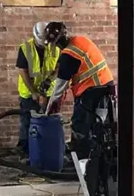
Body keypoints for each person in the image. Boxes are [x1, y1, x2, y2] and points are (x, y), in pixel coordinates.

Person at [43, 22, 115, 157]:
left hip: (91, 91)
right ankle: (98, 157)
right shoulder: (79, 40)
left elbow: (59, 89)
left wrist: (48, 111)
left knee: (80, 125)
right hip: (106, 86)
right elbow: (63, 67)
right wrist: (49, 80)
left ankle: (81, 158)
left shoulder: (69, 55)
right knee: (100, 125)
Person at [16, 21, 60, 155]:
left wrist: (49, 81)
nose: (43, 43)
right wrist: (34, 92)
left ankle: (46, 150)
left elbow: (58, 67)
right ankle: (24, 151)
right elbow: (23, 71)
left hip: (48, 92)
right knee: (27, 122)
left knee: (48, 121)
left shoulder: (54, 47)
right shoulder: (25, 48)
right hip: (29, 93)